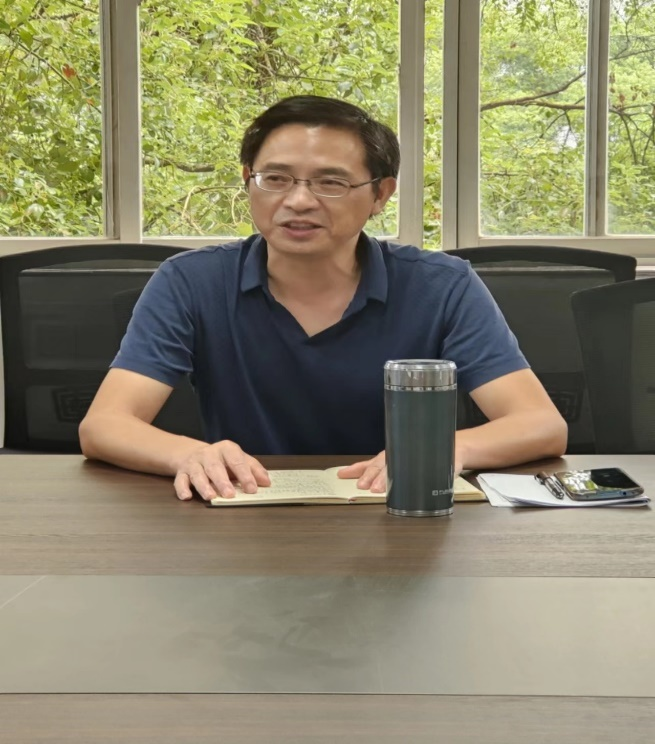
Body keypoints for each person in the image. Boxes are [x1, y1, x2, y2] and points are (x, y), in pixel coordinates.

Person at [79, 95, 567, 501]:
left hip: (402, 516)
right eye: (275, 179)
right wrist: (188, 454)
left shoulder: (443, 286)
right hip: (242, 518)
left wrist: (443, 449)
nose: (298, 201)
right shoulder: (190, 281)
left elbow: (540, 424)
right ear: (248, 180)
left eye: (330, 182)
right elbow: (104, 425)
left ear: (380, 194)